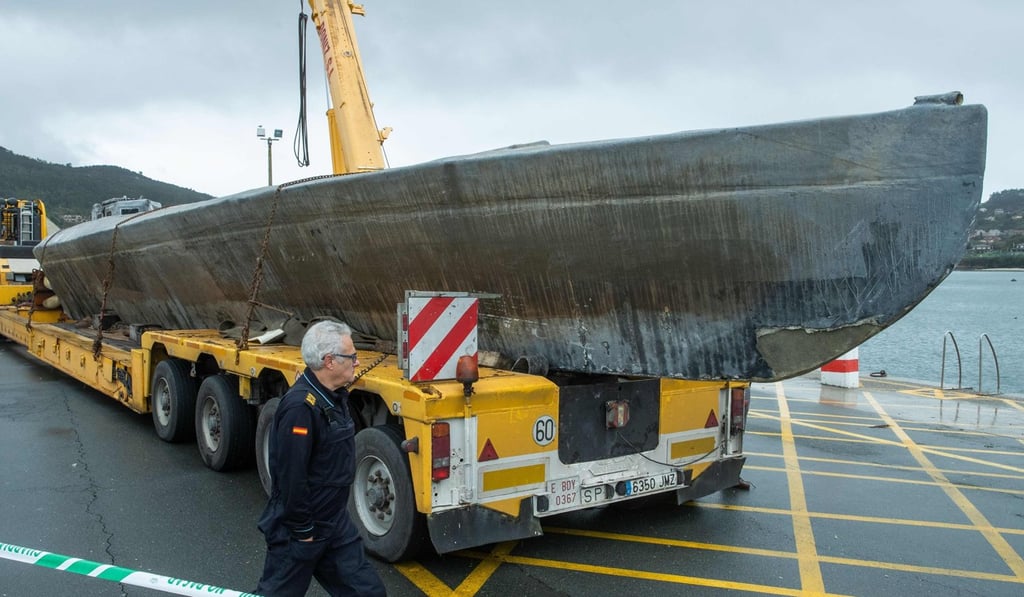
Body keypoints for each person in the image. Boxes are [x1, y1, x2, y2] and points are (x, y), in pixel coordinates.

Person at [256, 320, 386, 597]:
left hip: (335, 523)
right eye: (351, 356)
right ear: (329, 361)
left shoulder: (333, 398)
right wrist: (304, 531)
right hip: (301, 530)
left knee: (368, 593)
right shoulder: (300, 409)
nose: (356, 360)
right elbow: (291, 476)